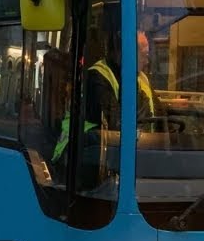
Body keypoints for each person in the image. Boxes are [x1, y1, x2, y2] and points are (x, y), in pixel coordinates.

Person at [52, 29, 161, 169]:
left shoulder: (141, 78)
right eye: (144, 55)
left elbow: (160, 114)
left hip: (136, 154)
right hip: (79, 157)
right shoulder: (97, 76)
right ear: (127, 53)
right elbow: (115, 122)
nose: (147, 61)